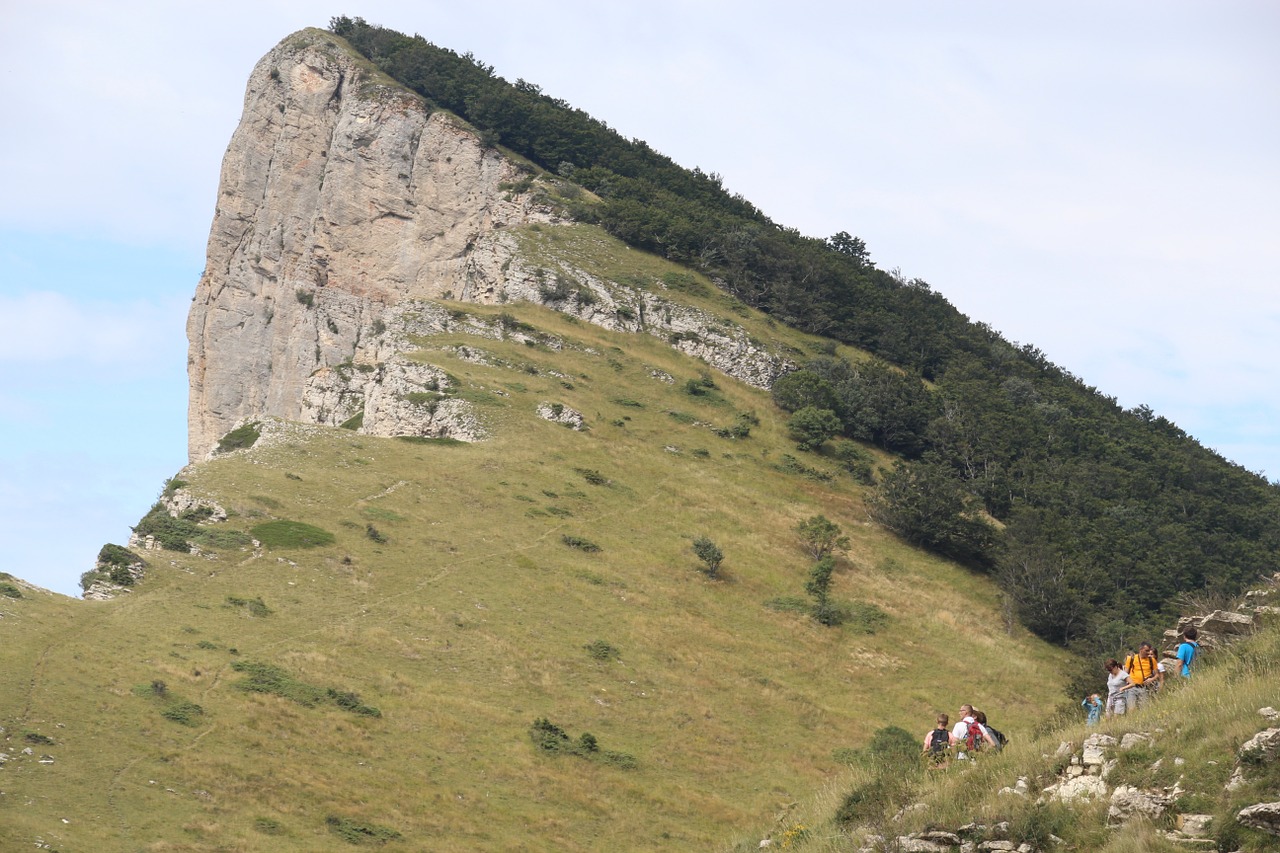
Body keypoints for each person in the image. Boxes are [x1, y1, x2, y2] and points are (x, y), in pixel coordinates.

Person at [1123, 642, 1164, 708]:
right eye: (1146, 650)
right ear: (1141, 649)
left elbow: (1157, 675)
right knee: (1131, 709)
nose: (1148, 652)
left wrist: (1151, 679)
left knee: (1143, 709)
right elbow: (1125, 674)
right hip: (1132, 688)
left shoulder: (1152, 660)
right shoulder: (1131, 659)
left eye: (1149, 650)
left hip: (1144, 688)